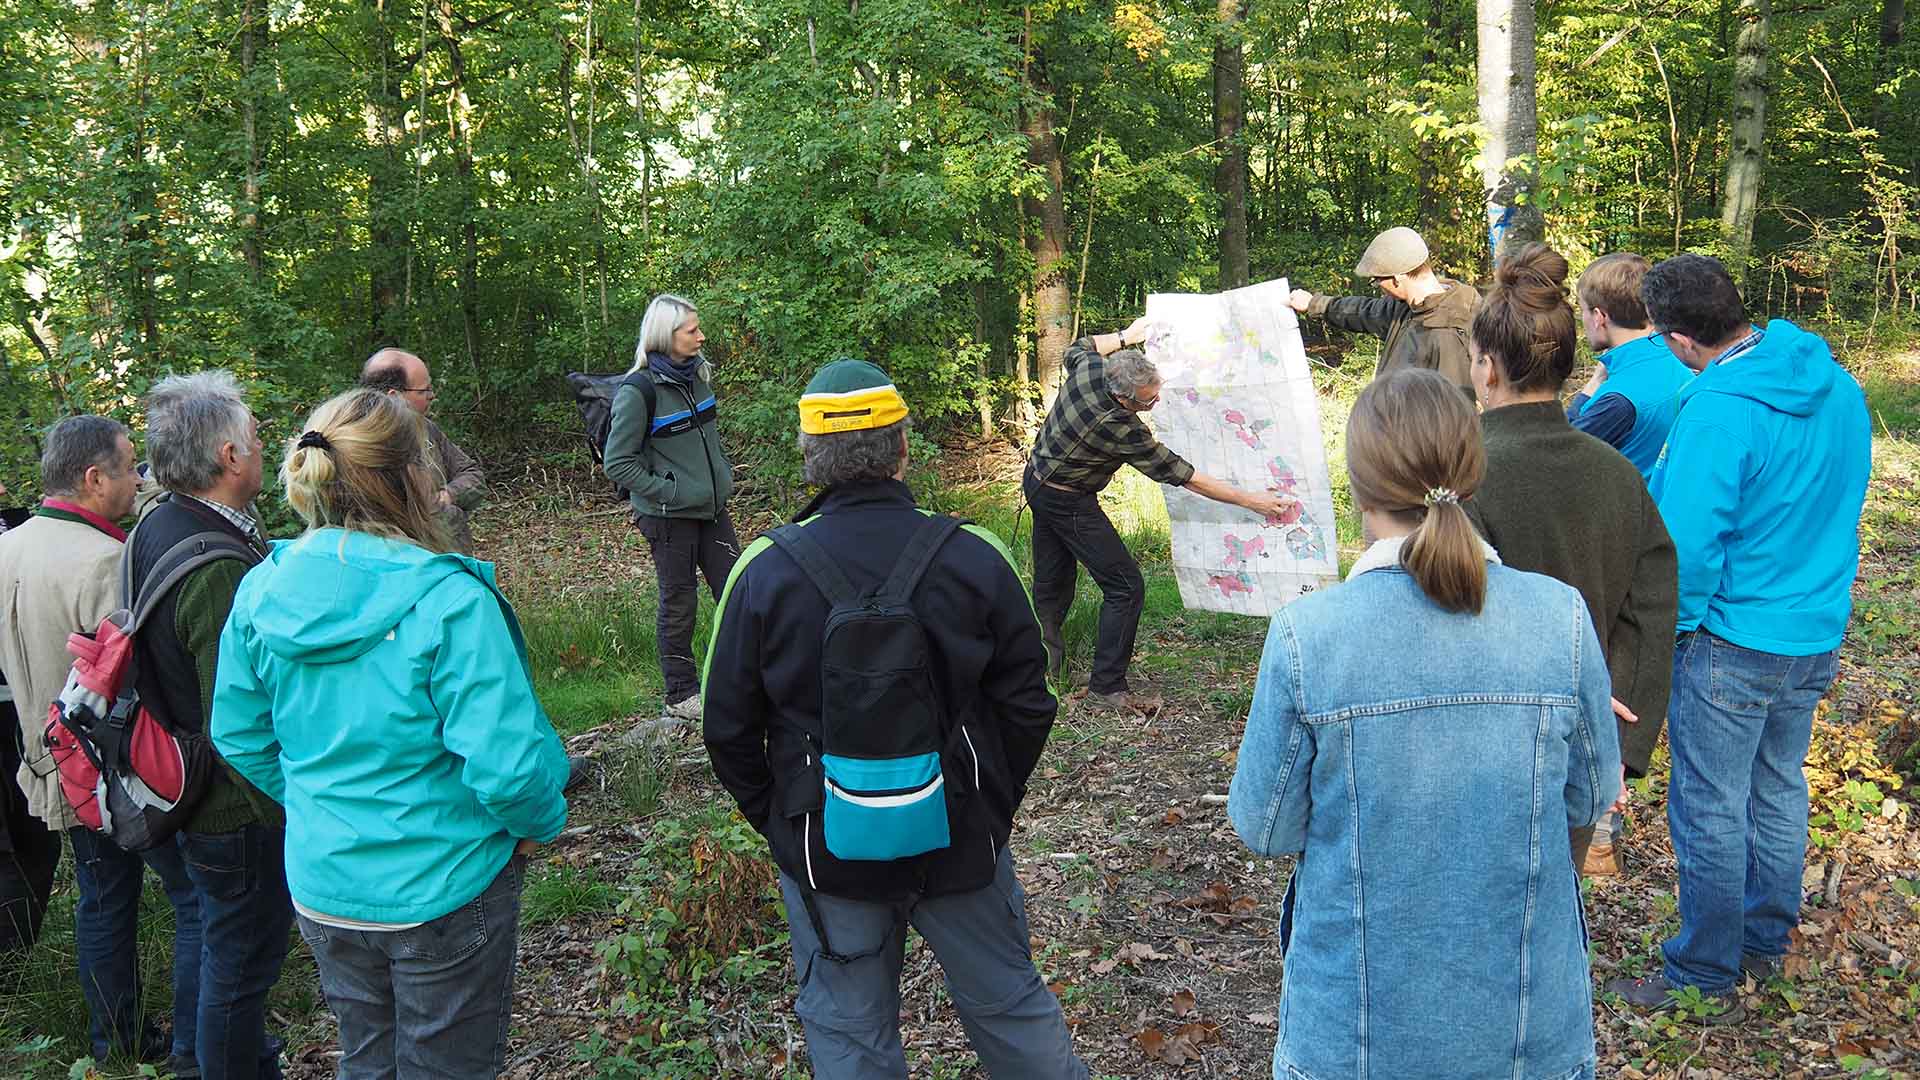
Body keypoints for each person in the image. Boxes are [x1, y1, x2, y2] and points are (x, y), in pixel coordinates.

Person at [1229, 368, 1619, 1080]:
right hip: (1527, 1028)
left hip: (1353, 1029)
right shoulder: (1557, 618)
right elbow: (1590, 799)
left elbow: (1267, 826)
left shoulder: (1307, 636)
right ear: (1471, 474)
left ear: (1358, 485)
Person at [704, 360, 1086, 1080]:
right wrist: (987, 802)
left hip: (827, 849)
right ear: (903, 447)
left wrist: (787, 821)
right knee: (1010, 1009)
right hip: (962, 836)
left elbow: (725, 729)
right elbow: (1030, 702)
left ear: (808, 457)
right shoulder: (974, 552)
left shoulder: (760, 570)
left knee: (849, 1033)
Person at [211, 389, 569, 1079]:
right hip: (443, 884)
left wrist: (317, 802)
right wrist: (539, 822)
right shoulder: (449, 598)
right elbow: (507, 768)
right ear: (412, 476)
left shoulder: (261, 589)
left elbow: (239, 733)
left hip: (326, 884)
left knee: (368, 1058)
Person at [1605, 254, 1872, 1020]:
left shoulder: (1721, 408)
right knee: (1777, 785)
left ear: (1681, 339)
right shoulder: (1835, 382)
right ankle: (1762, 942)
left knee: (1712, 803)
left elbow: (1688, 547)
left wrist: (1666, 637)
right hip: (1814, 627)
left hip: (1734, 637)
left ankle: (1704, 972)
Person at [1463, 244, 1678, 878]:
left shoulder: (1459, 473)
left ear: (1489, 370)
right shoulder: (1617, 474)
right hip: (1587, 730)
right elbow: (1655, 604)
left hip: (1479, 740)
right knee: (1554, 894)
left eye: (1476, 359)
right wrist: (1621, 735)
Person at [0, 416, 204, 1072]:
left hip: (50, 759)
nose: (138, 479)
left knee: (102, 898)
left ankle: (113, 1042)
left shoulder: (11, 546)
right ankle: (196, 1044)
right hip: (119, 774)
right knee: (195, 899)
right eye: (128, 468)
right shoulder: (104, 561)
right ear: (94, 478)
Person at [132, 371, 292, 1080]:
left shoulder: (158, 523)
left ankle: (229, 1061)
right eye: (256, 437)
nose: (264, 447)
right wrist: (282, 808)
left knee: (224, 949)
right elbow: (238, 719)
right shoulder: (216, 569)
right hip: (231, 807)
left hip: (187, 788)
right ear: (229, 457)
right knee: (241, 966)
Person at [1026, 319, 1294, 710]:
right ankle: (1106, 688)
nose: (1155, 405)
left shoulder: (1091, 367)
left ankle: (1042, 668)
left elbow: (1080, 345)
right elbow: (1183, 475)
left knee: (1053, 581)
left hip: (1036, 480)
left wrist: (1126, 336)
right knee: (1125, 586)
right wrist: (1252, 500)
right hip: (1066, 500)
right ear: (1123, 399)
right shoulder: (1119, 426)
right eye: (1148, 402)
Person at [604, 293, 739, 722]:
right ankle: (681, 694)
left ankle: (747, 676)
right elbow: (617, 462)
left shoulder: (697, 376)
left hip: (712, 509)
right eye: (692, 331)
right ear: (666, 336)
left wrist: (721, 475)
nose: (701, 336)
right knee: (680, 602)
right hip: (668, 518)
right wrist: (668, 493)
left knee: (738, 590)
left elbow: (706, 442)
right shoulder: (638, 390)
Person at [1286, 225, 1480, 395]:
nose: (1378, 287)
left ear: (1397, 278)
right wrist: (1316, 304)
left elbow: (1453, 416)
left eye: (1377, 280)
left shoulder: (1448, 333)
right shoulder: (1410, 307)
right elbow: (1364, 311)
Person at [1568, 252, 1695, 479]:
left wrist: (1594, 383)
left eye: (1583, 310)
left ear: (1599, 317)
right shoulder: (1678, 358)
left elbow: (1557, 455)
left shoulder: (1616, 400)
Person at [359, 348, 487, 555]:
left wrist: (446, 498)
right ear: (394, 396)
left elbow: (473, 476)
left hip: (450, 565)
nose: (432, 395)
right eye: (423, 390)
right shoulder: (353, 446)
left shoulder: (427, 429)